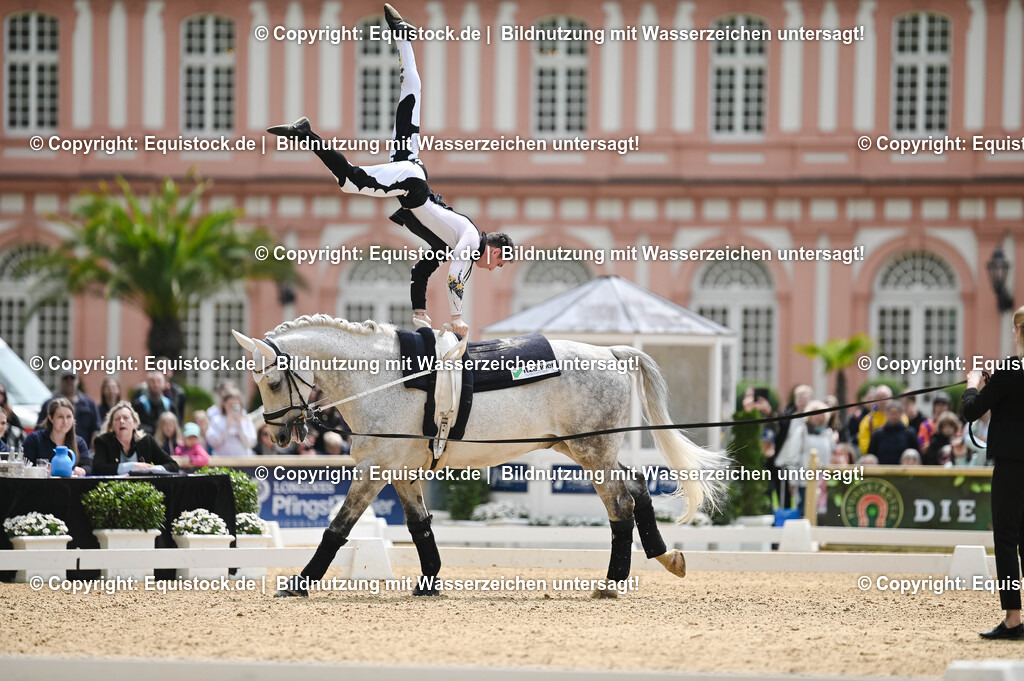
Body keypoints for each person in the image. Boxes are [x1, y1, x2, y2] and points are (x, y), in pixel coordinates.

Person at [266, 4, 513, 337]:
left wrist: (420, 314)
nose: (493, 267)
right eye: (498, 263)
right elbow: (455, 278)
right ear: (495, 251)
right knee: (351, 182)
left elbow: (421, 272)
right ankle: (306, 133)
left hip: (412, 171)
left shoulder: (451, 244)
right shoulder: (469, 241)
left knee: (410, 98)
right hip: (413, 186)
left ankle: (403, 36)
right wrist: (457, 319)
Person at [963, 306, 1024, 640]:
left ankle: (1013, 618)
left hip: (1013, 463)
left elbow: (972, 409)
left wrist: (974, 384)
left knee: (1006, 538)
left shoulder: (1011, 368)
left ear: (1018, 333)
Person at [775, 399, 834, 515]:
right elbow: (793, 458)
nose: (818, 417)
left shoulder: (828, 433)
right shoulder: (801, 431)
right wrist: (793, 481)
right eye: (815, 413)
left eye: (822, 413)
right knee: (805, 512)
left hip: (823, 482)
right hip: (804, 482)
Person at [92, 401, 180, 475]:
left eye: (126, 418)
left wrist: (152, 469)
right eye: (117, 419)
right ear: (111, 426)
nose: (122, 421)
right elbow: (98, 468)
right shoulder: (103, 441)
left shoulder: (146, 441)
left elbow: (173, 465)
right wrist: (132, 467)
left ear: (135, 423)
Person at [24, 397, 92, 476]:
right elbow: (25, 465)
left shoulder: (79, 442)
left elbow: (88, 467)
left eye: (69, 417)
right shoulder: (34, 439)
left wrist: (82, 470)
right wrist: (41, 470)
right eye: (60, 417)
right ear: (51, 418)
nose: (65, 422)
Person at [38, 371, 101, 446]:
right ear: (61, 381)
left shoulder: (89, 404)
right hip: (55, 449)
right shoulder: (49, 404)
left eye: (72, 378)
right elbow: (40, 428)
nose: (69, 381)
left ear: (77, 381)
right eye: (66, 379)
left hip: (82, 448)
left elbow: (97, 428)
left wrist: (95, 440)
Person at [206, 390, 256, 457]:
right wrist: (226, 426)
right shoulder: (216, 420)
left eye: (235, 405)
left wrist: (240, 426)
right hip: (222, 462)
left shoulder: (246, 420)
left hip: (243, 462)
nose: (232, 408)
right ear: (224, 404)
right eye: (230, 405)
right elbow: (212, 442)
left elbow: (251, 443)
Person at [858, 385, 907, 453]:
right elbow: (864, 446)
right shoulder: (868, 421)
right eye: (880, 398)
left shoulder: (902, 417)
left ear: (891, 399)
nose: (883, 401)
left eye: (886, 398)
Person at [866, 401, 918, 465]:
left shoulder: (909, 433)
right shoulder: (878, 434)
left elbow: (916, 455)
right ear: (886, 414)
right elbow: (871, 455)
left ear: (901, 414)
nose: (894, 416)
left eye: (896, 413)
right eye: (891, 413)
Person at [131, 371, 172, 436]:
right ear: (147, 384)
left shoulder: (169, 405)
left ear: (164, 384)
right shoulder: (138, 404)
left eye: (159, 381)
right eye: (152, 381)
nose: (156, 384)